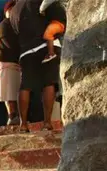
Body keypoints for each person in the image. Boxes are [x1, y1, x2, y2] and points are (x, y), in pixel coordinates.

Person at [10, 0, 66, 132]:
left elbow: (15, 31)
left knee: (25, 85)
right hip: (46, 45)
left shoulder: (14, 10)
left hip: (26, 50)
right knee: (48, 83)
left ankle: (23, 124)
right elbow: (57, 17)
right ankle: (47, 123)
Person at [0, 0, 22, 125]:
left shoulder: (15, 25)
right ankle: (12, 115)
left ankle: (16, 116)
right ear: (7, 12)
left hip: (15, 63)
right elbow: (8, 44)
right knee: (9, 92)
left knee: (15, 90)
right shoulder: (5, 24)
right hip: (7, 63)